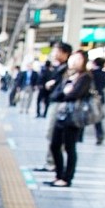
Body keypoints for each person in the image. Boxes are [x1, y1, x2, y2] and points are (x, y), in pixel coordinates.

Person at [45, 50, 92, 187]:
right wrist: (65, 92)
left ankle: (67, 178)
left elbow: (74, 94)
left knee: (70, 148)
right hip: (61, 116)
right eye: (73, 58)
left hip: (74, 118)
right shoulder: (69, 76)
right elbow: (56, 95)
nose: (74, 61)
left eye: (78, 59)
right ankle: (59, 175)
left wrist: (66, 93)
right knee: (55, 145)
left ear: (84, 61)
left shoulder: (85, 77)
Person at [33, 42, 73, 172]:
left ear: (64, 53)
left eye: (56, 51)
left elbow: (65, 88)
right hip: (55, 103)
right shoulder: (59, 68)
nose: (53, 54)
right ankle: (51, 162)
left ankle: (52, 163)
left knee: (54, 135)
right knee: (51, 135)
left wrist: (52, 84)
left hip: (59, 104)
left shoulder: (66, 69)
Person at [91, 57, 105, 145]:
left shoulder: (92, 73)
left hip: (91, 97)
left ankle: (79, 136)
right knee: (97, 118)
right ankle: (99, 135)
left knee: (82, 114)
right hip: (100, 97)